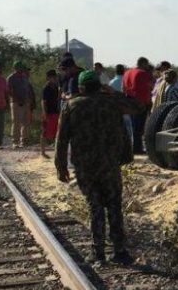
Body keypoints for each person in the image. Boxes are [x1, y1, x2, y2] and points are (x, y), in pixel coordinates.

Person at [55, 70, 143, 264]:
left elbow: (61, 140)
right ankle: (119, 251)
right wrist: (113, 92)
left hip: (85, 166)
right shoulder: (112, 102)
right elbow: (137, 106)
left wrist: (61, 166)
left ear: (80, 87)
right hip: (110, 163)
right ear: (99, 85)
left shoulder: (71, 106)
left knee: (94, 206)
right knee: (114, 205)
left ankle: (99, 253)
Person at [122, 57, 154, 154]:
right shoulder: (143, 73)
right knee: (139, 128)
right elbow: (150, 87)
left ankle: (133, 147)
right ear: (144, 64)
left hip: (129, 101)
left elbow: (123, 88)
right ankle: (137, 148)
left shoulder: (127, 73)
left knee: (132, 126)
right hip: (140, 103)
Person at [7, 61, 33, 148]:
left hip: (26, 102)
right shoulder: (11, 78)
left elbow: (27, 89)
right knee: (16, 122)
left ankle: (24, 140)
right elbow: (9, 91)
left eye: (22, 68)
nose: (22, 69)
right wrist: (18, 99)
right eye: (20, 68)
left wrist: (28, 100)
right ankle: (15, 141)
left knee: (26, 122)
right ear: (16, 68)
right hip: (16, 103)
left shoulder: (25, 77)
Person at [40, 69, 60, 158]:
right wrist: (44, 112)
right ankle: (43, 152)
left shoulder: (55, 87)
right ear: (48, 78)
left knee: (57, 132)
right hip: (48, 112)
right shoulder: (46, 88)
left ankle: (57, 151)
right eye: (52, 77)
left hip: (56, 112)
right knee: (44, 132)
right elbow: (43, 101)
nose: (54, 78)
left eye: (54, 76)